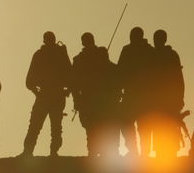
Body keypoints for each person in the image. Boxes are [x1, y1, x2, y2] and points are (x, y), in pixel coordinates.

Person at [69, 32, 121, 156]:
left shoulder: (79, 59)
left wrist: (77, 100)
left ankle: (96, 153)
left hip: (92, 99)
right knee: (97, 128)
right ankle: (101, 153)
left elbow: (74, 83)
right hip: (97, 99)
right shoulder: (98, 55)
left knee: (93, 128)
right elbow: (74, 83)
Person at [22, 31, 71, 156]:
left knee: (45, 126)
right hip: (50, 95)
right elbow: (30, 80)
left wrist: (36, 91)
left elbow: (70, 75)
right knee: (46, 126)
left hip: (49, 96)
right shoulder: (56, 54)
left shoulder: (44, 54)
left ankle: (38, 152)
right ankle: (47, 152)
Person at [117, 26, 153, 157]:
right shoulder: (149, 50)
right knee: (131, 124)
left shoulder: (129, 50)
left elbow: (120, 70)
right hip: (136, 95)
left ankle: (139, 152)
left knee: (142, 126)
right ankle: (137, 152)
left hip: (140, 95)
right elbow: (120, 70)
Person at [150, 29, 185, 157]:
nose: (155, 41)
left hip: (168, 99)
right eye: (155, 38)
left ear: (164, 40)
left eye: (158, 38)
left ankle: (169, 154)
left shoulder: (169, 55)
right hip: (160, 100)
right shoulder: (155, 55)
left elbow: (178, 78)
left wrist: (180, 97)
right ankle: (162, 154)